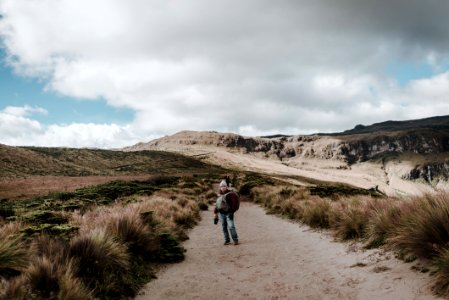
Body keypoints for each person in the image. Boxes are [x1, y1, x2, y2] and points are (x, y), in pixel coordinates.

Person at [214, 179, 240, 245]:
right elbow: (217, 205)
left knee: (231, 226)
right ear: (220, 187)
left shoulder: (231, 194)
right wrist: (215, 214)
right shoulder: (219, 195)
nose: (223, 188)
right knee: (224, 227)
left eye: (224, 186)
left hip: (229, 213)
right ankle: (227, 240)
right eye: (221, 186)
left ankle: (235, 240)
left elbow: (234, 204)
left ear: (226, 187)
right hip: (222, 213)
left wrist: (231, 212)